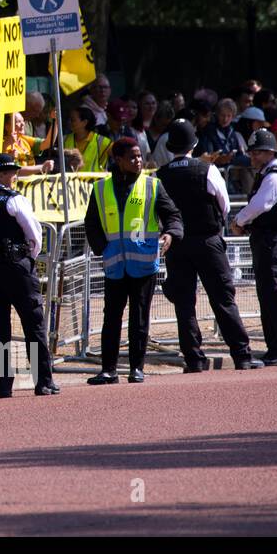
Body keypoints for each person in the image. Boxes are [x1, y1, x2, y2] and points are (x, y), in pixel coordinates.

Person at [154, 121, 262, 373]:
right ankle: (242, 355)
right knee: (223, 299)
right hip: (208, 240)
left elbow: (158, 211)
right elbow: (224, 205)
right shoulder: (207, 170)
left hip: (177, 243)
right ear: (194, 144)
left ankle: (193, 359)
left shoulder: (160, 175)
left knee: (184, 303)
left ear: (170, 147)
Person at [83, 138, 182, 384]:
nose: (138, 161)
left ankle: (136, 368)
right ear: (118, 160)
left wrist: (170, 233)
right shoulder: (100, 188)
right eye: (132, 157)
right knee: (111, 318)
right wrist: (102, 249)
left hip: (143, 263)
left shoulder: (152, 185)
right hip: (115, 263)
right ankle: (109, 370)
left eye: (139, 156)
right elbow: (91, 223)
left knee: (139, 317)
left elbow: (173, 215)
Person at [0, 153, 57, 398]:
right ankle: (43, 382)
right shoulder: (14, 200)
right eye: (10, 172)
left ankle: (3, 385)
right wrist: (28, 259)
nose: (14, 175)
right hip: (16, 268)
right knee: (33, 323)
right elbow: (34, 235)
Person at [231, 129, 277, 366]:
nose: (252, 156)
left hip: (271, 241)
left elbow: (261, 204)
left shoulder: (274, 176)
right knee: (267, 295)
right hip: (265, 240)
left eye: (257, 152)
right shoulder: (269, 173)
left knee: (273, 295)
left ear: (269, 152)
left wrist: (239, 221)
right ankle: (274, 348)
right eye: (251, 152)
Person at [65, 106, 111, 172]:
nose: (69, 122)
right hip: (70, 182)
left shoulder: (102, 141)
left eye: (73, 120)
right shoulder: (63, 140)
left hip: (94, 182)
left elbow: (119, 155)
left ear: (84, 122)